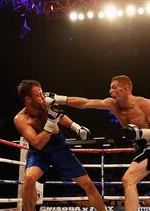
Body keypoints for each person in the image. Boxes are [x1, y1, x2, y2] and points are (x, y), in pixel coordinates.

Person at [48, 75, 150, 211]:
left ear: (126, 88)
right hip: (140, 149)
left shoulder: (146, 104)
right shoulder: (112, 104)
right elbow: (85, 103)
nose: (110, 91)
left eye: (114, 88)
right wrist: (60, 99)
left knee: (128, 180)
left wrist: (141, 133)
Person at [13, 79, 106, 211]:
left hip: (59, 147)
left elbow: (60, 116)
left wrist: (77, 128)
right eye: (38, 95)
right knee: (28, 179)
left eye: (41, 93)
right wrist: (51, 123)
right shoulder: (21, 119)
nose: (42, 97)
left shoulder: (46, 102)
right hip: (39, 152)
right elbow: (37, 144)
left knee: (88, 184)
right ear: (28, 99)